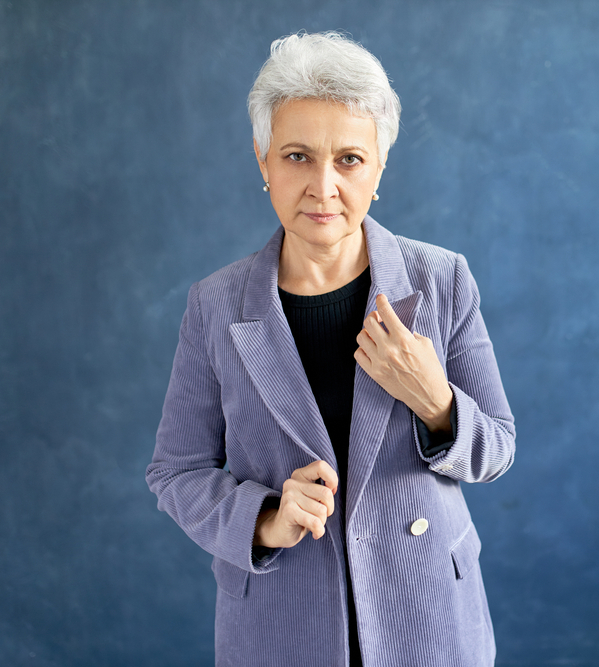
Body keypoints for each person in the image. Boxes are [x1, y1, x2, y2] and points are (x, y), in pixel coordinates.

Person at [146, 31, 515, 667]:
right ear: (262, 160)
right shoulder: (215, 306)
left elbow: (497, 449)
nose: (323, 186)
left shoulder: (442, 280)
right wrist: (264, 519)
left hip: (426, 618)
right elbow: (175, 472)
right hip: (280, 627)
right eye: (297, 156)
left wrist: (437, 404)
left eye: (348, 159)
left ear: (379, 168)